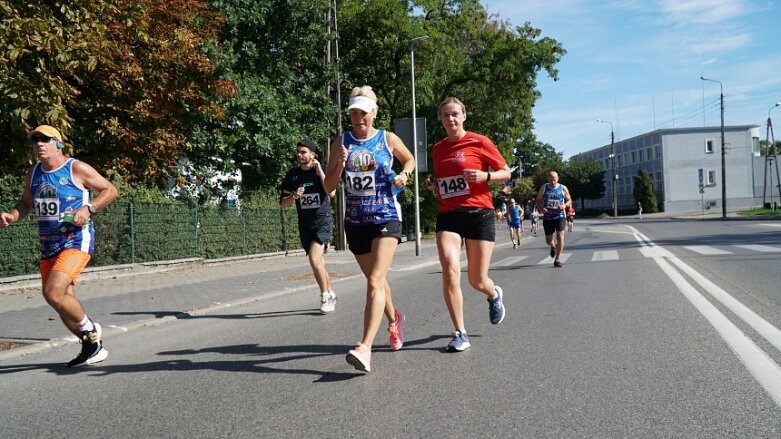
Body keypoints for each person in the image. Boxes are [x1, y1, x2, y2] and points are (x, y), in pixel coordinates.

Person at [0, 125, 118, 367]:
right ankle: (91, 347)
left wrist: (89, 208)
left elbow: (110, 190)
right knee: (59, 300)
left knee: (52, 292)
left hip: (76, 240)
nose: (39, 144)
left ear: (58, 143)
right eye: (35, 141)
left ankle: (90, 331)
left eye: (45, 139)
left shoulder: (76, 168)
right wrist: (12, 216)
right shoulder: (33, 173)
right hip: (48, 245)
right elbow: (25, 203)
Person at [324, 85, 414, 373]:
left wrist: (404, 174)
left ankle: (365, 347)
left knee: (374, 281)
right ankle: (393, 319)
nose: (358, 118)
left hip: (386, 216)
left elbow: (410, 159)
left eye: (363, 113)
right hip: (355, 221)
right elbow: (328, 186)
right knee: (377, 280)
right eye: (353, 114)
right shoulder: (341, 142)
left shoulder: (387, 138)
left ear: (373, 112)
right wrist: (337, 164)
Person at [426, 97, 509, 352]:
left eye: (454, 114)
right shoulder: (438, 148)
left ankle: (493, 294)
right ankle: (460, 332)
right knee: (450, 268)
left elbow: (506, 172)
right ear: (440, 119)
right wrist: (433, 184)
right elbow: (442, 180)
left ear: (463, 116)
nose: (450, 119)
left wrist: (486, 175)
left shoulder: (479, 141)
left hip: (479, 213)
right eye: (444, 115)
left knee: (476, 279)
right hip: (449, 214)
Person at [280, 139, 337, 314]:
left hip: (322, 221)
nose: (299, 155)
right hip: (305, 224)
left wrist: (320, 170)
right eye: (298, 151)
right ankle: (332, 293)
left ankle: (325, 295)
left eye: (303, 152)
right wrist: (294, 197)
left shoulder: (322, 172)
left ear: (313, 154)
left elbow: (332, 192)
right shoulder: (292, 175)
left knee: (314, 259)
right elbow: (283, 203)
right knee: (319, 262)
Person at [535, 170, 572, 268]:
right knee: (548, 240)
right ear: (548, 179)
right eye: (551, 180)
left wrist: (564, 205)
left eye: (554, 180)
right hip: (548, 217)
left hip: (560, 216)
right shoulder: (544, 187)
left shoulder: (563, 188)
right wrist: (541, 208)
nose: (553, 182)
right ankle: (553, 245)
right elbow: (538, 200)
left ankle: (557, 259)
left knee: (560, 235)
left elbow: (569, 200)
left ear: (558, 178)